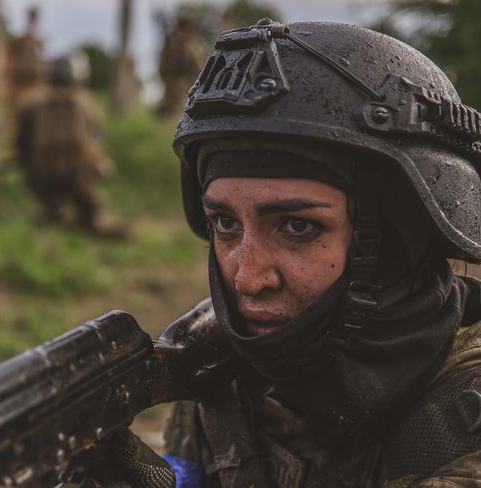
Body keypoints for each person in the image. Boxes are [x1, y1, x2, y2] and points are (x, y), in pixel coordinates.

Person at [90, 19, 481, 488]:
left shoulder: (463, 413)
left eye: (299, 227)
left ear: (402, 238)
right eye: (225, 224)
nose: (246, 278)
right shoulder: (225, 373)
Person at [15, 57, 117, 236]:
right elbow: (95, 139)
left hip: (40, 175)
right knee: (90, 206)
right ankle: (86, 218)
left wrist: (25, 161)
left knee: (49, 199)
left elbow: (19, 142)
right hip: (77, 178)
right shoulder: (87, 105)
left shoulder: (31, 103)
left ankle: (52, 211)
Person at [157, 15, 206, 119]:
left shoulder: (193, 44)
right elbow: (165, 68)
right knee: (176, 114)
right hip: (176, 85)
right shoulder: (173, 44)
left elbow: (200, 65)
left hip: (190, 84)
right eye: (188, 30)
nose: (190, 33)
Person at [6, 6, 45, 113]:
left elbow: (41, 59)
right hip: (21, 78)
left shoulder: (38, 41)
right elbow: (10, 58)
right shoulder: (22, 40)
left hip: (34, 79)